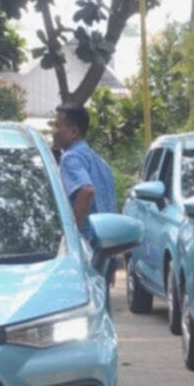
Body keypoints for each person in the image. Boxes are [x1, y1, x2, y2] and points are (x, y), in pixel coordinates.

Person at [52, 104, 118, 306]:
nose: (53, 131)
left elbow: (86, 191)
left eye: (57, 125)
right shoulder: (97, 160)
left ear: (72, 131)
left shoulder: (70, 158)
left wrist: (71, 232)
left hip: (86, 249)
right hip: (106, 249)